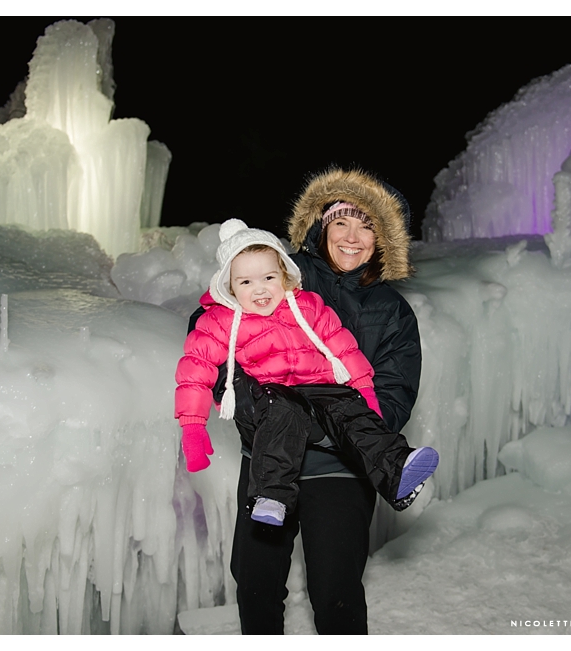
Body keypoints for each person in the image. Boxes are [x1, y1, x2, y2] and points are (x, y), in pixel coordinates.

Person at [195, 168, 422, 635]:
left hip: (341, 469)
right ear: (322, 225)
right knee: (256, 585)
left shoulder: (393, 313)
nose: (353, 237)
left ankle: (396, 470)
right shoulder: (281, 274)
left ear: (382, 239)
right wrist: (255, 408)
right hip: (267, 456)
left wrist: (324, 428)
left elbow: (394, 398)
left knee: (335, 592)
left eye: (367, 225)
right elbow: (213, 324)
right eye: (342, 222)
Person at [175, 218, 437, 527]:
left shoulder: (306, 304)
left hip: (318, 386)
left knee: (347, 407)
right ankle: (271, 495)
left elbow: (342, 345)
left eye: (269, 278)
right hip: (271, 393)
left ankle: (396, 471)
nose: (260, 289)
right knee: (283, 410)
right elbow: (196, 369)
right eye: (246, 282)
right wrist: (193, 425)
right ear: (229, 287)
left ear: (284, 275)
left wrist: (364, 390)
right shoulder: (221, 320)